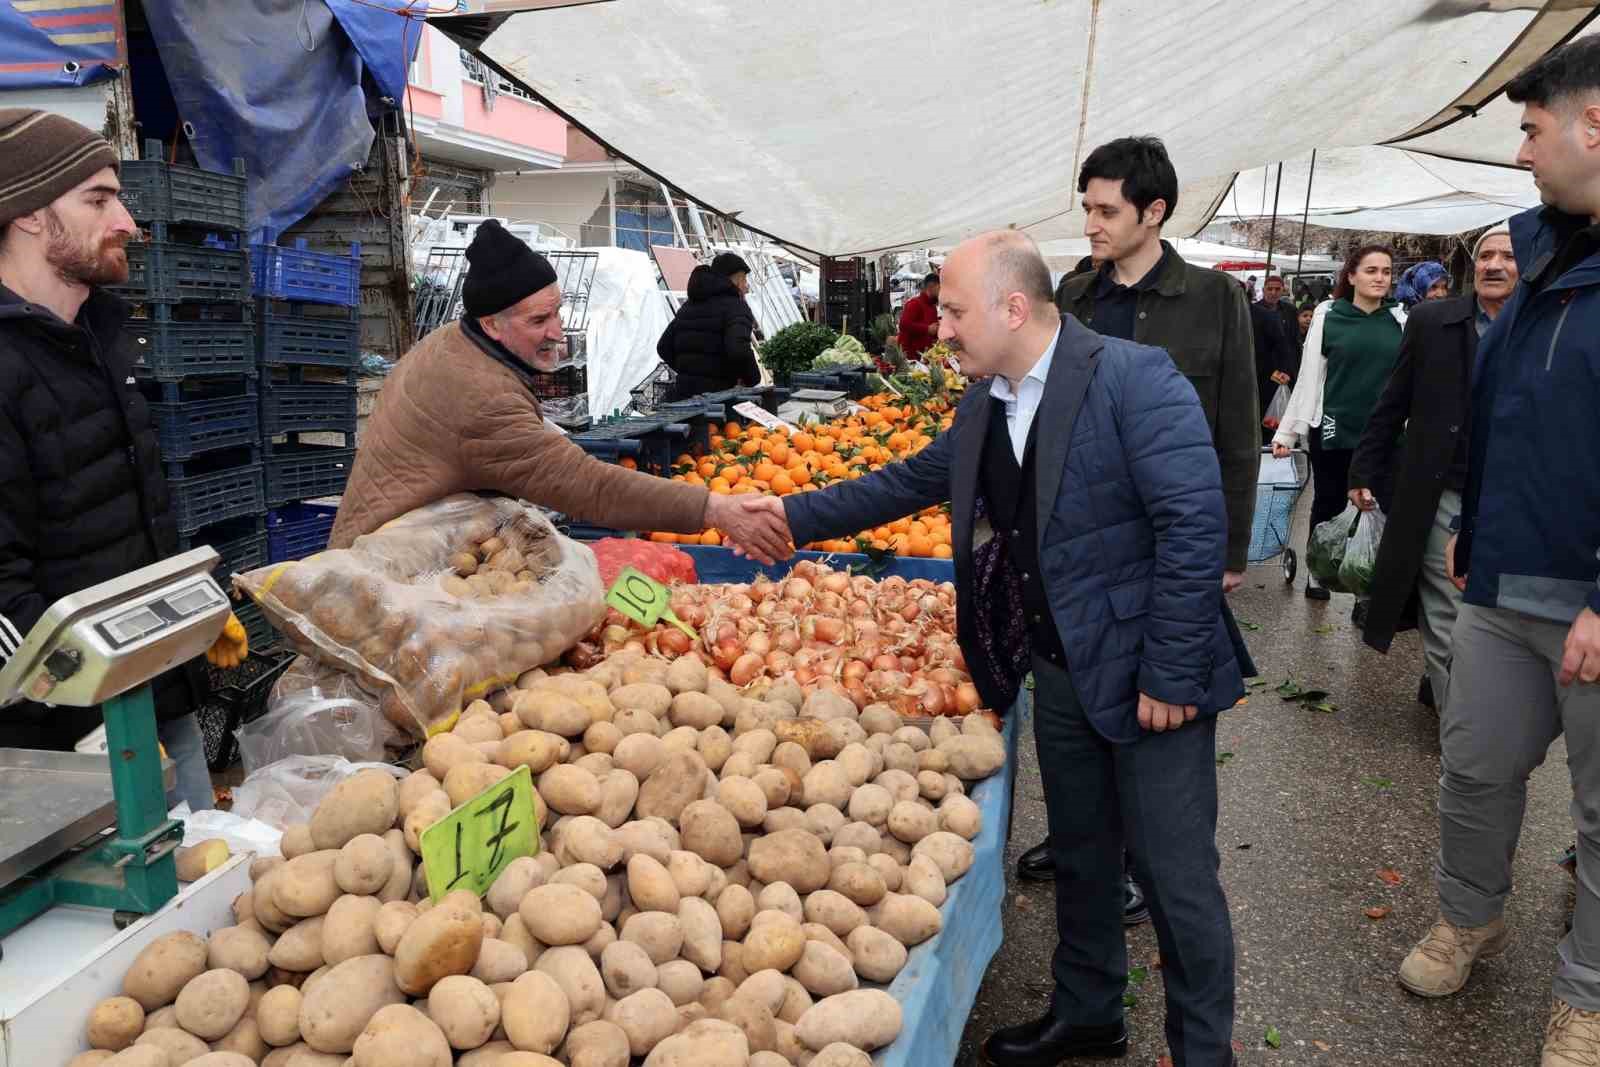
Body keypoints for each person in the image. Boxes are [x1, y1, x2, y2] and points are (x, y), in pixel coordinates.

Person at [746, 230, 1246, 1067]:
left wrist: (1171, 669)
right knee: (1084, 856)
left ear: (1015, 307)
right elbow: (902, 483)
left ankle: (1205, 1054)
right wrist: (784, 519)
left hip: (1148, 676)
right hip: (1060, 670)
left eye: (953, 310)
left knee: (1176, 880)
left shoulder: (1132, 378)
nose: (939, 328)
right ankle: (1090, 1011)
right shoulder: (985, 402)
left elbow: (1194, 526)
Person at [1392, 39, 1600, 1066]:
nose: (1520, 153)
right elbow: (1508, 415)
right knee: (1473, 769)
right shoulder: (1543, 258)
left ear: (1593, 122)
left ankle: (1587, 994)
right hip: (1502, 578)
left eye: (1529, 127)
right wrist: (1475, 527)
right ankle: (1469, 915)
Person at [0, 108, 240, 812]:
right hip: (64, 750)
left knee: (211, 898)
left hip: (153, 700)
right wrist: (83, 706)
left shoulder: (100, 337)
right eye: (99, 200)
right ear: (30, 217)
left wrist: (180, 620)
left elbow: (122, 517)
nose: (129, 222)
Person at [1051, 136, 1260, 916]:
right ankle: (1092, 844)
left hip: (1176, 542)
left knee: (1160, 702)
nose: (1092, 224)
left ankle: (1151, 859)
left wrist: (1230, 549)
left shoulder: (1213, 300)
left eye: (1107, 210)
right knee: (1087, 696)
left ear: (1155, 211)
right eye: (1088, 208)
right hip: (1085, 546)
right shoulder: (1073, 298)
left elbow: (1237, 428)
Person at [329, 221, 788, 563]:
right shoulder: (480, 396)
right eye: (538, 321)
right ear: (491, 323)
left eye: (557, 312)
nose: (557, 333)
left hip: (413, 543)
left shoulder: (456, 341)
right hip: (389, 569)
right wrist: (713, 508)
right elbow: (587, 486)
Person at [1347, 226, 1517, 712]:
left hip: (1509, 495)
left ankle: (1463, 702)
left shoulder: (1543, 326)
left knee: (1490, 613)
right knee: (1447, 615)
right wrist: (1363, 470)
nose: (1493, 265)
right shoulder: (1430, 321)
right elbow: (1391, 402)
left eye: (1508, 255)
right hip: (1442, 490)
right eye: (1485, 255)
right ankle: (1464, 739)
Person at [1271, 244, 1406, 600]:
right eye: (1371, 270)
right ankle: (1320, 571)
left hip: (1384, 434)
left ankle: (1366, 584)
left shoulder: (1402, 319)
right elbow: (1310, 376)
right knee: (1329, 501)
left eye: (1386, 272)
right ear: (1351, 276)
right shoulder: (1329, 314)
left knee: (1378, 506)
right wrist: (1289, 430)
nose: (1380, 278)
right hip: (1333, 426)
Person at [656, 252, 761, 399]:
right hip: (719, 399)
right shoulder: (736, 307)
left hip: (684, 398)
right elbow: (738, 349)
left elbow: (663, 347)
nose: (746, 287)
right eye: (744, 280)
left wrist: (689, 372)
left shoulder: (689, 306)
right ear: (736, 280)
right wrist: (752, 379)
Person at [896, 271, 941, 358]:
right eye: (939, 288)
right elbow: (903, 324)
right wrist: (927, 329)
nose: (941, 292)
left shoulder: (932, 307)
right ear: (931, 287)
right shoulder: (914, 303)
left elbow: (932, 330)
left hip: (925, 356)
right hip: (910, 358)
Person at [1259, 274, 1301, 353]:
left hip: (1285, 359)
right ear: (1263, 290)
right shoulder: (1254, 310)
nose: (1273, 293)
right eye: (1270, 289)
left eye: (1277, 289)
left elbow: (1295, 339)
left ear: (1283, 291)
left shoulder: (1290, 310)